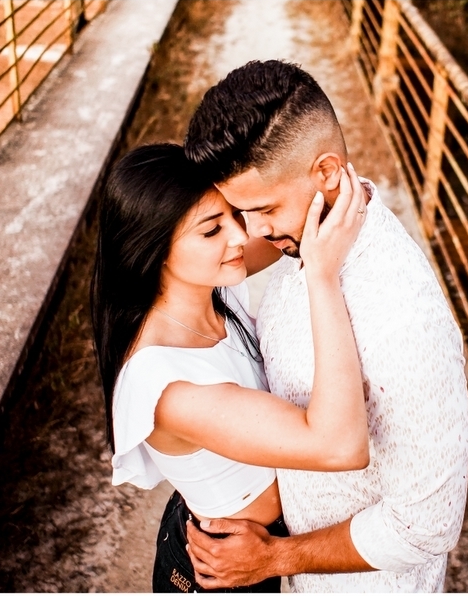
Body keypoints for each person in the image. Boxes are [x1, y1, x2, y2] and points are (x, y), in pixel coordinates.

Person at [182, 60, 468, 592]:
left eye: (264, 209)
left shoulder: (402, 319)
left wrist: (275, 559)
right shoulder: (307, 245)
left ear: (328, 173)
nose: (253, 232)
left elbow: (426, 527)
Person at [90, 142, 371, 592]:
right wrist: (322, 277)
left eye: (233, 216)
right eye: (211, 230)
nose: (241, 237)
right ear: (154, 249)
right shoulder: (168, 387)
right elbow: (340, 446)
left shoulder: (210, 284)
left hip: (263, 545)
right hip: (226, 570)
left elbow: (289, 229)